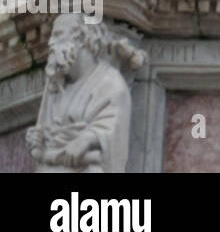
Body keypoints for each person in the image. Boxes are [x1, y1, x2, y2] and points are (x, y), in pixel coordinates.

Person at [27, 14, 139, 173]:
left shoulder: (110, 83)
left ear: (82, 38)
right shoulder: (55, 86)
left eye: (58, 35)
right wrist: (37, 140)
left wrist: (86, 139)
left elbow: (113, 126)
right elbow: (44, 134)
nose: (51, 43)